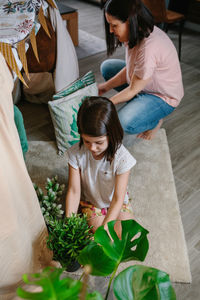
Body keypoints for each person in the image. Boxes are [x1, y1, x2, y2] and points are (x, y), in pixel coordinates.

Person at [99, 0, 184, 140]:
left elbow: (132, 89)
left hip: (162, 97)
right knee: (107, 67)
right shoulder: (135, 33)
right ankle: (140, 105)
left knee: (122, 122)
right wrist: (104, 87)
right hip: (144, 84)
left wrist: (107, 103)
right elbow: (132, 69)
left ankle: (153, 121)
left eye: (114, 25)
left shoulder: (149, 48)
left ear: (130, 21)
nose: (110, 30)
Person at [65, 96, 136, 236]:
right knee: (104, 238)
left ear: (111, 134)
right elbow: (73, 191)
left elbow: (118, 198)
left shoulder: (123, 158)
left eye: (99, 142)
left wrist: (106, 226)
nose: (92, 147)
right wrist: (69, 221)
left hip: (117, 203)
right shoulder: (75, 154)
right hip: (93, 204)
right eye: (86, 141)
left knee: (125, 235)